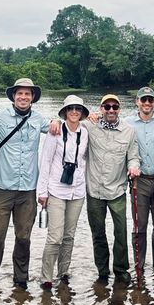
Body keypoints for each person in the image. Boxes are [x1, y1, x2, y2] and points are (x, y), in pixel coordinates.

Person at [0, 78, 56, 289]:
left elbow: (55, 128)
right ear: (13, 96)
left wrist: (55, 121)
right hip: (1, 188)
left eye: (27, 94)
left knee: (23, 238)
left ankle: (20, 281)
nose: (23, 97)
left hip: (28, 189)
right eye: (20, 94)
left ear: (32, 98)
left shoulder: (39, 118)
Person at [83, 94, 140, 283]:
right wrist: (85, 116)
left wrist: (134, 166)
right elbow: (69, 121)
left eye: (114, 107)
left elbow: (133, 155)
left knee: (121, 232)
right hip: (94, 191)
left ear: (119, 109)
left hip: (117, 190)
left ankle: (121, 270)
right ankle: (102, 271)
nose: (111, 110)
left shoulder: (129, 131)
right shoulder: (89, 126)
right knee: (98, 233)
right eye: (106, 107)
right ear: (101, 109)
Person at [36, 95, 90, 289]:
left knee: (69, 235)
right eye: (70, 109)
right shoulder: (55, 131)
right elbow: (46, 162)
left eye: (78, 109)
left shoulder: (85, 132)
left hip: (77, 191)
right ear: (65, 112)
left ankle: (64, 272)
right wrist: (42, 192)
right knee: (55, 236)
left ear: (82, 113)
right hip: (56, 190)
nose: (74, 112)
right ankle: (46, 277)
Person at [124, 86, 154, 273]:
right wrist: (92, 117)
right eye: (144, 100)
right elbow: (106, 123)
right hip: (138, 181)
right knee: (139, 226)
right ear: (137, 102)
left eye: (150, 100)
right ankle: (139, 264)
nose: (147, 103)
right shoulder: (127, 123)